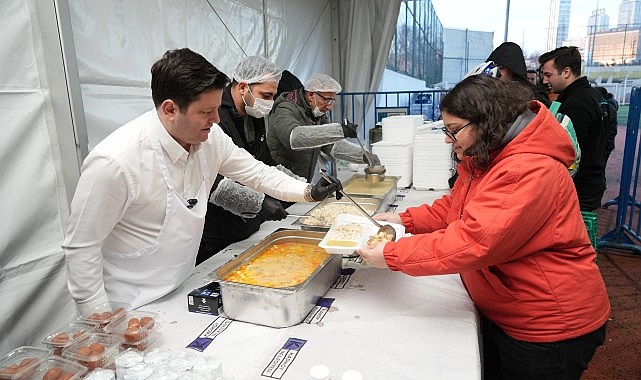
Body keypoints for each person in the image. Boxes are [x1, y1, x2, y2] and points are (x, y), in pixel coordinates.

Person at [356, 75, 609, 380]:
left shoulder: (525, 168)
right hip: (512, 311)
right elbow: (456, 208)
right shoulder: (490, 155)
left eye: (453, 131)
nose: (447, 140)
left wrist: (392, 254)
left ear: (486, 122)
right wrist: (404, 220)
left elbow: (473, 240)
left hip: (547, 324)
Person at [62, 48, 342, 314]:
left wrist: (308, 191)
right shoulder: (115, 162)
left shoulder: (210, 139)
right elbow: (81, 247)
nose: (216, 119)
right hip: (130, 306)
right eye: (206, 112)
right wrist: (100, 320)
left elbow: (257, 173)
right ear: (170, 109)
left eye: (216, 109)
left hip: (183, 286)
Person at [197, 56, 306, 265]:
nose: (270, 103)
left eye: (273, 97)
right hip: (217, 230)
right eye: (266, 95)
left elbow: (264, 165)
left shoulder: (253, 114)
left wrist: (303, 187)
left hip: (249, 224)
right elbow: (210, 179)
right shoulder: (215, 119)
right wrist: (257, 202)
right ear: (243, 87)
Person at [539, 46, 607, 212]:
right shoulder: (591, 96)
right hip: (590, 184)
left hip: (579, 190)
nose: (544, 81)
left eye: (548, 75)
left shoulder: (577, 104)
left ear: (566, 72)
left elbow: (568, 153)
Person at [267, 74, 370, 181]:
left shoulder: (317, 113)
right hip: (280, 178)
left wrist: (363, 155)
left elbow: (329, 144)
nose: (330, 107)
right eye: (327, 100)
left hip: (303, 178)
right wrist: (339, 130)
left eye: (332, 101)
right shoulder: (285, 109)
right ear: (311, 94)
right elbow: (294, 138)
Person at [486, 41, 550, 107]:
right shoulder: (490, 92)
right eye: (492, 67)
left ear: (513, 69)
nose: (495, 72)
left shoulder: (535, 96)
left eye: (500, 67)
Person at [594, 86, 619, 163]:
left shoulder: (607, 108)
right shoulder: (609, 107)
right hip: (606, 145)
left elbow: (610, 131)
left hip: (603, 146)